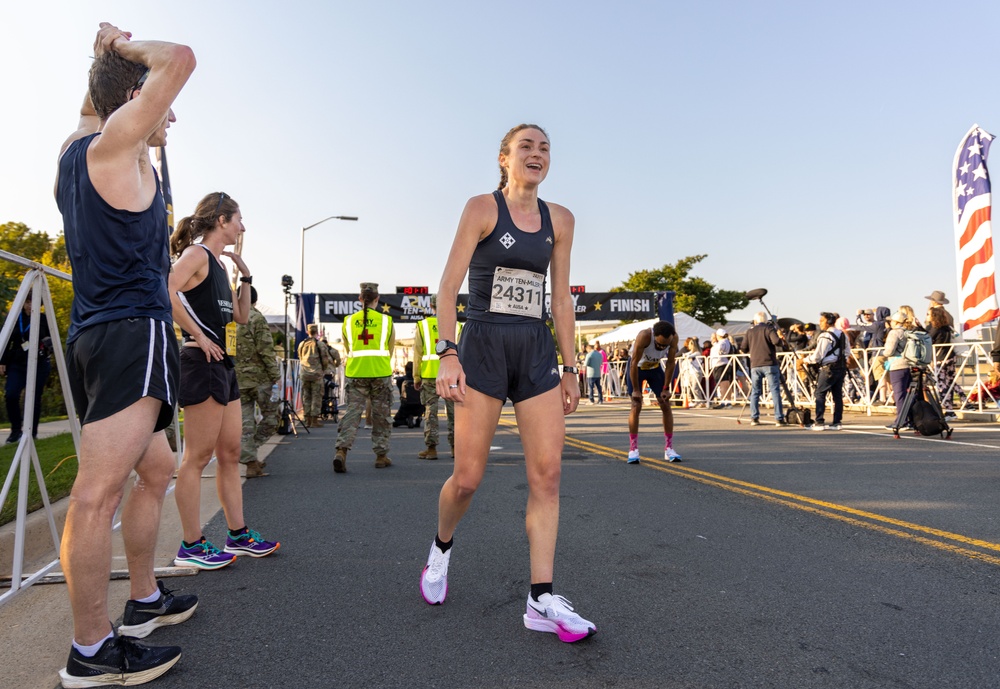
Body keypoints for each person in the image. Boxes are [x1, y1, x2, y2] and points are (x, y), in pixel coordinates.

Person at [54, 23, 196, 687]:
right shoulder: (118, 146)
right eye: (160, 103)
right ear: (138, 94)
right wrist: (127, 51)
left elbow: (93, 103)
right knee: (95, 495)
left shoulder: (77, 147)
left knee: (157, 465)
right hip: (129, 333)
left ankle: (142, 599)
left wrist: (101, 54)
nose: (172, 115)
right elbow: (182, 60)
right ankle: (90, 649)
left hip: (98, 334)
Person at [419, 124, 595, 643]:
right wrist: (447, 353)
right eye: (526, 147)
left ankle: (541, 597)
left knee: (548, 476)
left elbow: (560, 298)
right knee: (468, 477)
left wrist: (571, 366)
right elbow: (448, 286)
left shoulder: (559, 220)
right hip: (484, 346)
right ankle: (441, 548)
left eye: (544, 148)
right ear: (504, 158)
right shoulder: (481, 208)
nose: (537, 154)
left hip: (535, 348)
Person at [169, 192, 279, 571]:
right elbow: (166, 290)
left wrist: (245, 276)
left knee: (230, 453)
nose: (242, 227)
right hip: (200, 361)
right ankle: (191, 544)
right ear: (221, 220)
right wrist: (197, 337)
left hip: (224, 365)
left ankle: (239, 534)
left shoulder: (218, 266)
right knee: (196, 457)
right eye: (238, 220)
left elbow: (242, 316)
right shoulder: (196, 255)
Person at [334, 282, 395, 472]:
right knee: (381, 415)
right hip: (380, 372)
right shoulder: (386, 321)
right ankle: (381, 455)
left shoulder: (348, 321)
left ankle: (341, 451)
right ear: (377, 299)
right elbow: (390, 349)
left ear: (360, 299)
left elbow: (347, 348)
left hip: (356, 373)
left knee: (352, 413)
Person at [235, 285, 280, 478]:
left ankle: (250, 459)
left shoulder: (228, 319)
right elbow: (266, 350)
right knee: (272, 418)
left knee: (245, 424)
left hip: (237, 380)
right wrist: (276, 375)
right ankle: (251, 456)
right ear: (254, 299)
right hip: (260, 379)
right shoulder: (256, 318)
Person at [626, 321, 681, 463]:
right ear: (654, 336)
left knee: (665, 404)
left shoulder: (674, 338)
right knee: (636, 405)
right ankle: (633, 449)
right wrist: (637, 391)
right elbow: (633, 363)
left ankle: (669, 448)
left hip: (654, 369)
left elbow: (670, 362)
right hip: (636, 368)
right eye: (659, 345)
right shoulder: (645, 336)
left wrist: (666, 388)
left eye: (665, 346)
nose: (662, 347)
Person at [1, 294, 52, 444]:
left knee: (34, 398)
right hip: (17, 363)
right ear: (24, 303)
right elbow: (6, 339)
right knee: (11, 394)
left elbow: (50, 338)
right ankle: (16, 430)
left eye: (33, 302)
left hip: (39, 362)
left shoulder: (43, 319)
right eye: (28, 302)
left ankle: (32, 432)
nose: (30, 305)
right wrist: (2, 361)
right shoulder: (15, 319)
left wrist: (47, 346)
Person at [413, 295, 458, 458]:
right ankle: (455, 448)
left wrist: (416, 376)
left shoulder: (423, 325)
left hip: (430, 375)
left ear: (431, 307)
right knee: (454, 413)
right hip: (451, 375)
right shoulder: (457, 325)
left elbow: (418, 353)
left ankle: (431, 449)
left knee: (430, 412)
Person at [800, 312, 848, 430]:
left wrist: (805, 360)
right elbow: (847, 352)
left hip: (828, 368)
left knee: (820, 393)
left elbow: (818, 355)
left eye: (822, 321)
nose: (820, 323)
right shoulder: (842, 334)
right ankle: (837, 422)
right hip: (840, 367)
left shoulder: (825, 336)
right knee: (837, 396)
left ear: (828, 322)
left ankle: (819, 421)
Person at [739, 311, 787, 426]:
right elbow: (776, 342)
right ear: (765, 320)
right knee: (774, 390)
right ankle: (779, 418)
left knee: (755, 391)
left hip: (755, 364)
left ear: (755, 321)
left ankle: (754, 418)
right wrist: (781, 339)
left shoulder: (750, 331)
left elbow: (743, 348)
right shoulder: (769, 329)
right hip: (769, 362)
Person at [298, 323, 334, 428]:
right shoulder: (320, 344)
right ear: (317, 332)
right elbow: (325, 360)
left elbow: (300, 357)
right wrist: (322, 369)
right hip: (316, 374)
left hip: (304, 373)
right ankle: (314, 420)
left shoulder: (302, 344)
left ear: (307, 331)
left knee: (306, 396)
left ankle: (307, 420)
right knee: (316, 397)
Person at [393, 361, 425, 427]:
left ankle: (407, 420)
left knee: (395, 422)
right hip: (420, 406)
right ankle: (419, 417)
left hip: (405, 406)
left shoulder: (401, 380)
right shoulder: (421, 380)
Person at [708, 328, 733, 407]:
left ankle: (723, 401)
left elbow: (719, 349)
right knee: (725, 382)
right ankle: (727, 401)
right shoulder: (726, 341)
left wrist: (715, 343)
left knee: (722, 383)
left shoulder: (721, 343)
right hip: (723, 363)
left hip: (720, 364)